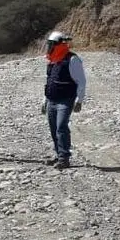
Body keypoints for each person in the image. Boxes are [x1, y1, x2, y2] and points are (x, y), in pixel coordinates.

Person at [41, 31, 86, 169]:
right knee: (54, 128)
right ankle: (59, 155)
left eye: (51, 44)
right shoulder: (53, 60)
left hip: (65, 100)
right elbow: (49, 81)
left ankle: (64, 158)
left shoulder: (72, 59)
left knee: (61, 127)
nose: (49, 47)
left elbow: (81, 81)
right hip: (52, 99)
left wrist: (79, 100)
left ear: (58, 44)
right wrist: (44, 100)